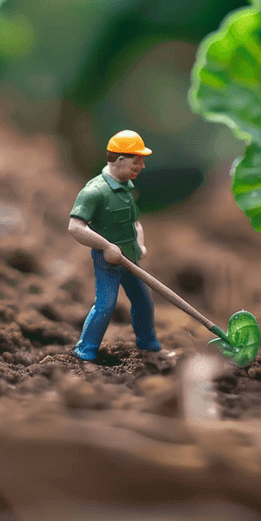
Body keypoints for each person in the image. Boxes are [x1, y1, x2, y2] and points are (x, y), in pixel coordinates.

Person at [69, 130, 163, 361]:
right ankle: (86, 350)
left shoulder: (126, 189)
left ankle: (148, 344)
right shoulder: (95, 191)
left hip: (131, 258)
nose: (141, 166)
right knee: (105, 305)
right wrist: (106, 247)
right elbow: (75, 227)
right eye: (137, 160)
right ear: (120, 159)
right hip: (108, 263)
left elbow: (135, 223)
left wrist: (139, 245)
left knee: (143, 302)